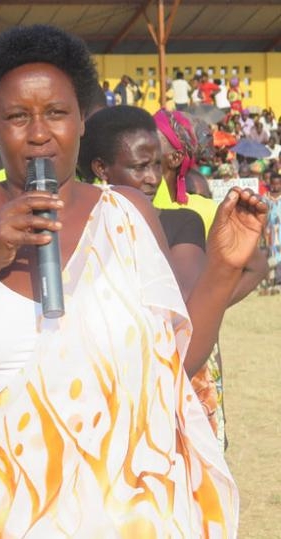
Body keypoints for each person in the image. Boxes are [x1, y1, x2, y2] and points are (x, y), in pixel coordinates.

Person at [0, 25, 260, 536]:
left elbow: (169, 370)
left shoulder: (127, 214)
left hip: (121, 511)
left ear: (83, 120)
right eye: (17, 117)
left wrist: (221, 270)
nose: (39, 133)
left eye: (57, 113)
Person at [78, 105, 221, 437]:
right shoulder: (72, 229)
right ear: (101, 168)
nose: (154, 178)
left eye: (157, 164)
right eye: (139, 167)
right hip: (89, 396)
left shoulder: (180, 222)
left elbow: (182, 301)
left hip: (163, 390)